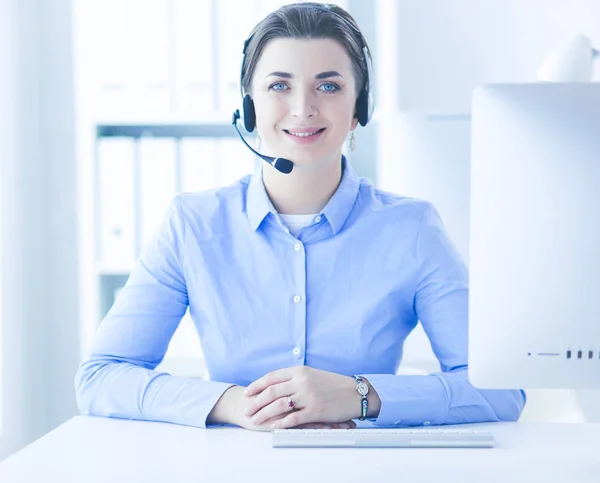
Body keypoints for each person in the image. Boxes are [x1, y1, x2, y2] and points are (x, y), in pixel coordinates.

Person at [75, 2, 526, 431]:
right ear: (249, 107)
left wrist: (360, 395)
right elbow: (101, 376)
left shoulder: (412, 229)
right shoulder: (194, 225)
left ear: (359, 110)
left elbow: (503, 391)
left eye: (328, 86)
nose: (303, 108)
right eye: (279, 85)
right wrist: (229, 403)